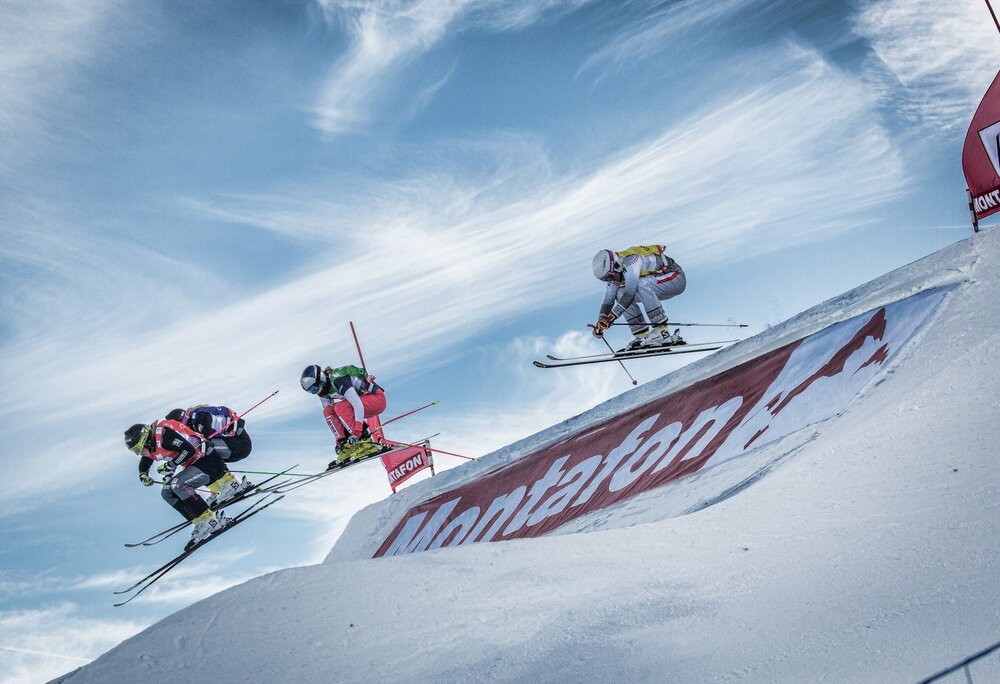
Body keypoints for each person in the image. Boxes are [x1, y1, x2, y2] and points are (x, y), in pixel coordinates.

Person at [124, 417, 248, 548]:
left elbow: (189, 449)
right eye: (134, 452)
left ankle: (208, 520)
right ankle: (201, 521)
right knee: (167, 492)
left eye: (137, 449)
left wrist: (172, 464)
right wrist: (143, 473)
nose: (139, 454)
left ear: (145, 440)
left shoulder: (164, 435)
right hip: (199, 465)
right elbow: (145, 461)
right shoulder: (152, 447)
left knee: (178, 484)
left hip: (211, 462)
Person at [591, 244, 687, 352]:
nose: (610, 280)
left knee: (640, 284)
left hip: (675, 278)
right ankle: (642, 335)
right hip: (656, 284)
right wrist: (600, 323)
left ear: (616, 265)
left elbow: (630, 293)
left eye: (610, 276)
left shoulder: (631, 261)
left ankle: (662, 332)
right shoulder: (615, 274)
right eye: (606, 279)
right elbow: (608, 301)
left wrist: (612, 317)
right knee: (620, 292)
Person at [299, 364, 389, 468]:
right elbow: (332, 416)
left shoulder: (338, 380)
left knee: (341, 407)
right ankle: (347, 444)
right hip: (363, 404)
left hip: (377, 399)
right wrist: (340, 441)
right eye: (310, 391)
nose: (314, 392)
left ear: (322, 380)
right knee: (328, 411)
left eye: (314, 389)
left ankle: (365, 441)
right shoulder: (322, 392)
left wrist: (356, 432)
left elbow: (357, 404)